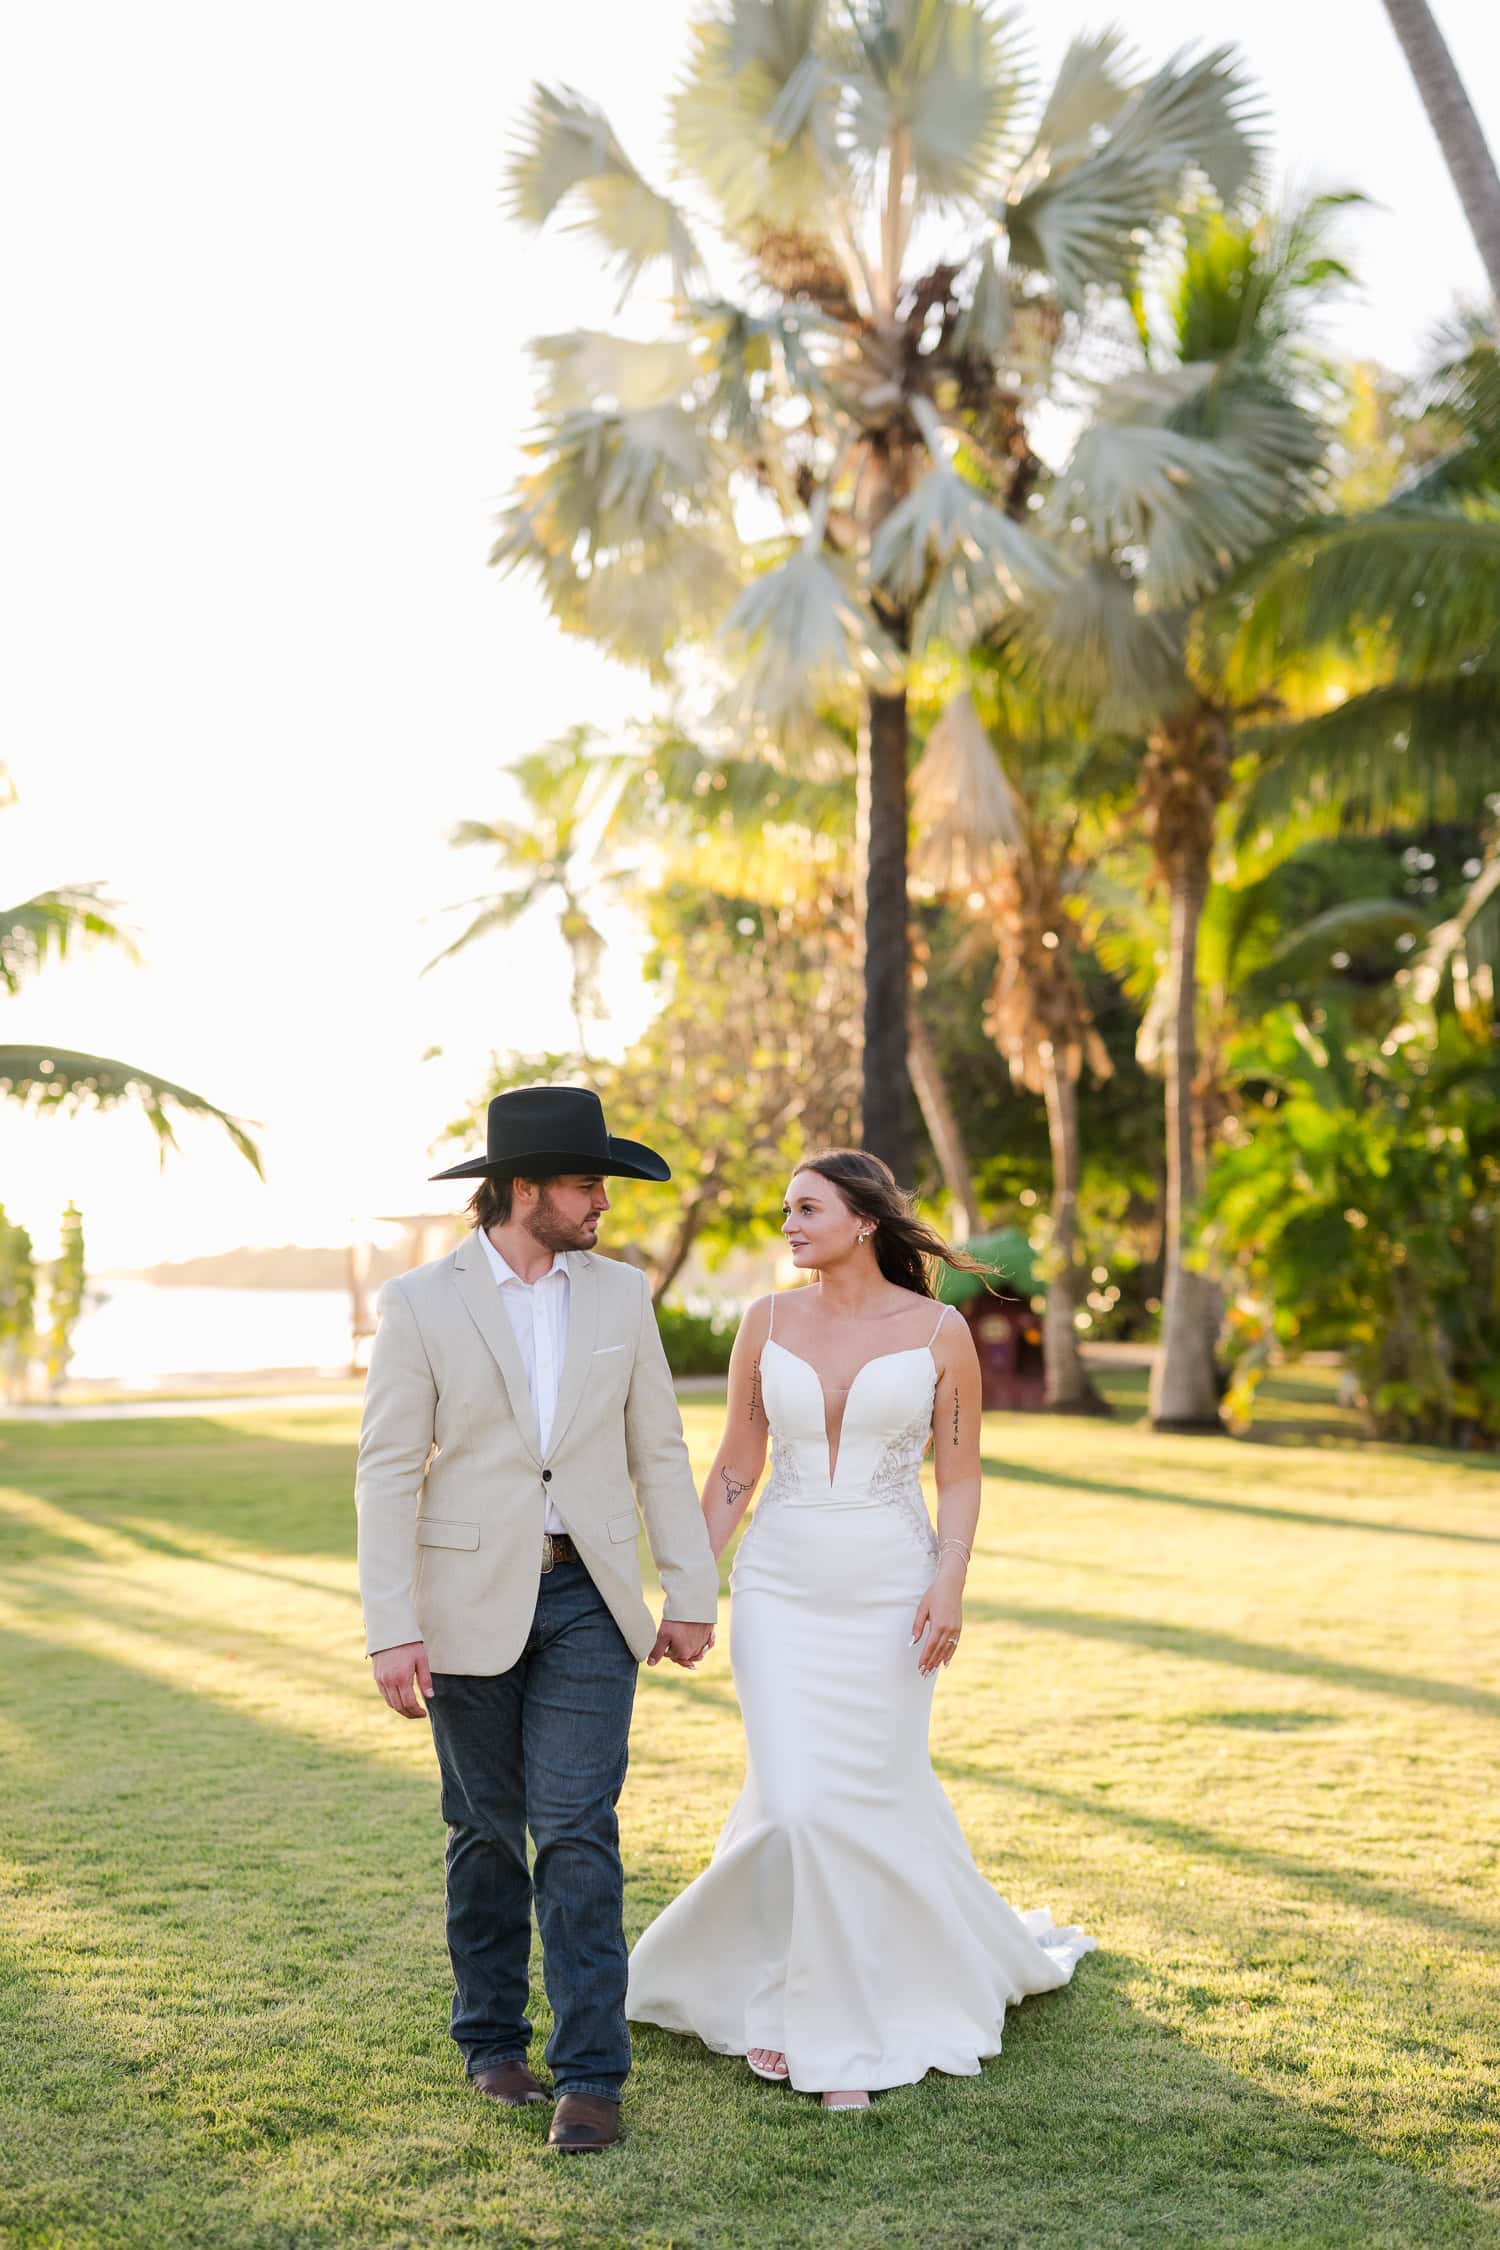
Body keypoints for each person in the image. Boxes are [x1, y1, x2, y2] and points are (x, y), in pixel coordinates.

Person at [626, 1148, 1095, 2110]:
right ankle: (793, 2001)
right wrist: (687, 1586)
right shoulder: (764, 1322)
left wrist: (950, 1581)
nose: (788, 1225)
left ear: (863, 1221)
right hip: (779, 1593)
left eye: (806, 1208)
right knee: (795, 1802)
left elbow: (958, 1473)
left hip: (892, 1592)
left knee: (870, 1797)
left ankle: (838, 2025)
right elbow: (734, 1470)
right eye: (786, 1210)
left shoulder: (939, 1330)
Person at [355, 1085, 719, 2154]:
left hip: (589, 1602)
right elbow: (386, 1470)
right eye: (582, 1182)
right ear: (522, 1192)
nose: (600, 1201)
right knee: (483, 1838)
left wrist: (688, 1592)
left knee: (575, 1831)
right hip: (462, 1602)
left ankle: (592, 2076)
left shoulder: (621, 1294)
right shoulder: (422, 1303)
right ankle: (492, 2043)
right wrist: (392, 1625)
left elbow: (659, 1450)